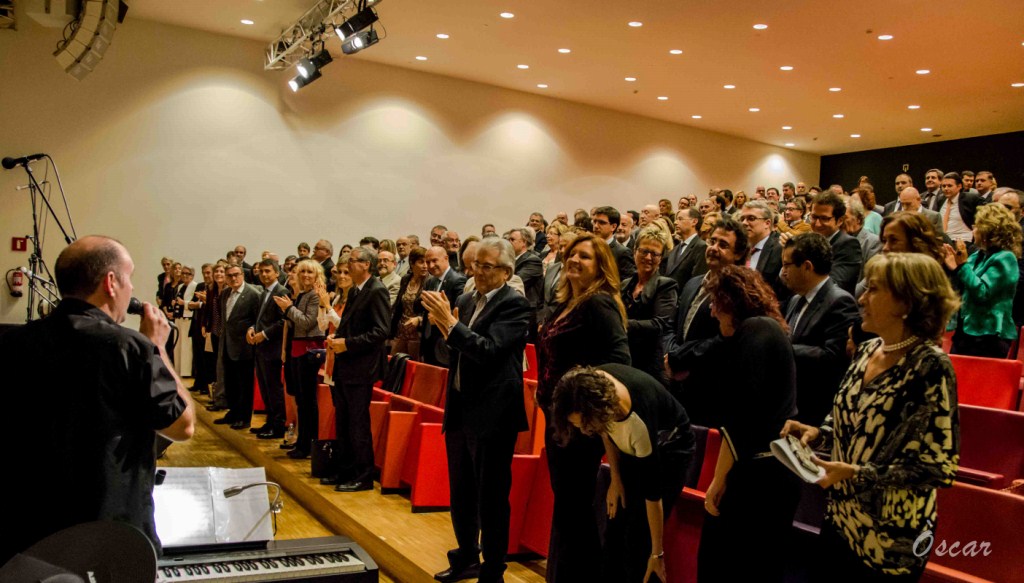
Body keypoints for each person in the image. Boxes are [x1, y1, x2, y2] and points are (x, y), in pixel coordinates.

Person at [3, 236, 194, 561]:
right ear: (110, 282)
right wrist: (158, 348)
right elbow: (182, 425)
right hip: (107, 532)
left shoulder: (12, 342)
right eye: (129, 278)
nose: (131, 289)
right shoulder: (130, 348)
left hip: (28, 528)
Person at [782, 252, 960, 582]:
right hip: (840, 517)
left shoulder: (930, 366)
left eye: (874, 289)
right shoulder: (866, 350)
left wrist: (857, 474)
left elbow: (938, 467)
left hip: (890, 535)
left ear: (907, 302)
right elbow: (847, 420)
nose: (861, 298)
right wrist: (818, 434)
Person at [422, 237, 533, 583]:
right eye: (475, 265)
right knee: (462, 493)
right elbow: (455, 353)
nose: (477, 272)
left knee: (492, 498)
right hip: (460, 408)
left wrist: (451, 326)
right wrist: (445, 329)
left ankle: (493, 570)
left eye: (486, 266)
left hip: (493, 414)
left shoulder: (515, 305)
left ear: (506, 271)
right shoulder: (466, 299)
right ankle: (466, 556)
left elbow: (488, 351)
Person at [536, 232, 631, 583]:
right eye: (572, 254)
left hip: (579, 424)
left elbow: (619, 361)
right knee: (567, 509)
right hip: (557, 419)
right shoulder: (567, 303)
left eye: (585, 256)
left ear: (601, 266)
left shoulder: (599, 304)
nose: (575, 260)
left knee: (574, 510)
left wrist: (583, 403)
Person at [697, 266, 800, 583]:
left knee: (728, 565)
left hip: (759, 477)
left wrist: (718, 479)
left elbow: (742, 416)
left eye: (716, 302)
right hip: (768, 472)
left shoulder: (756, 329)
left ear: (732, 302)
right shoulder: (764, 330)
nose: (712, 312)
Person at [552, 364, 695, 583]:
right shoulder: (592, 387)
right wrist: (616, 479)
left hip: (671, 448)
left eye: (584, 425)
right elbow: (606, 431)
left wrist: (657, 553)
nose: (583, 431)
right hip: (632, 444)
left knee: (639, 539)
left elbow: (653, 494)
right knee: (614, 530)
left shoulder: (636, 422)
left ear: (597, 412)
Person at [324, 246, 392, 492]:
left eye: (353, 261)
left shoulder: (377, 290)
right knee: (344, 421)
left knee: (358, 423)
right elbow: (348, 325)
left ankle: (363, 476)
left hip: (362, 367)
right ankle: (345, 470)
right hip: (346, 364)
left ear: (366, 265)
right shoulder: (355, 290)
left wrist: (348, 344)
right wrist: (338, 339)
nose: (348, 265)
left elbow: (381, 331)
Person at [944, 203, 1021, 357]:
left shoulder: (1006, 258)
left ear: (989, 230)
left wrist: (962, 266)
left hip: (989, 335)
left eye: (977, 226)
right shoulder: (977, 255)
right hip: (966, 330)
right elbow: (964, 285)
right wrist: (954, 267)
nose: (973, 230)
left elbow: (982, 293)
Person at [274, 258, 327, 459]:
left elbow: (306, 322)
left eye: (310, 272)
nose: (305, 275)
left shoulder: (314, 296)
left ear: (317, 275)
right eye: (302, 271)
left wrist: (288, 308)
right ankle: (302, 443)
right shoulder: (302, 294)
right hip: (298, 349)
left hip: (309, 350)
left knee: (307, 401)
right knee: (301, 400)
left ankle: (308, 445)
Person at [620, 227, 678, 386]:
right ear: (634, 251)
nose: (648, 257)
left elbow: (659, 324)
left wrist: (622, 324)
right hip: (624, 357)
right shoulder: (625, 285)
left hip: (649, 363)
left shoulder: (666, 285)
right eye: (644, 251)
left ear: (661, 258)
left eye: (654, 253)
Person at [214, 264, 261, 430]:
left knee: (244, 384)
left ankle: (244, 417)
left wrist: (253, 329)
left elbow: (258, 319)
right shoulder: (225, 293)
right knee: (230, 382)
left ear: (243, 274)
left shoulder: (253, 294)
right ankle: (233, 412)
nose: (233, 278)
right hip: (227, 344)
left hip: (244, 346)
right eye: (230, 275)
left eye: (236, 274)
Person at [248, 258, 289, 439]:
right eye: (261, 271)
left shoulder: (281, 291)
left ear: (277, 273)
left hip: (272, 346)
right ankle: (270, 421)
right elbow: (258, 317)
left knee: (273, 388)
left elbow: (283, 321)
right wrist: (252, 328)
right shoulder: (263, 291)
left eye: (268, 271)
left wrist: (264, 334)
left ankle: (278, 425)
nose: (264, 274)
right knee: (265, 388)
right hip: (261, 347)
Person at [390, 246, 429, 361]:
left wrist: (420, 319)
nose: (425, 266)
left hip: (417, 334)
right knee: (395, 364)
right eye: (421, 262)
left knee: (414, 367)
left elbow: (429, 310)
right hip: (401, 331)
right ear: (412, 264)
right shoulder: (405, 279)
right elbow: (398, 305)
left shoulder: (430, 281)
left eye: (427, 262)